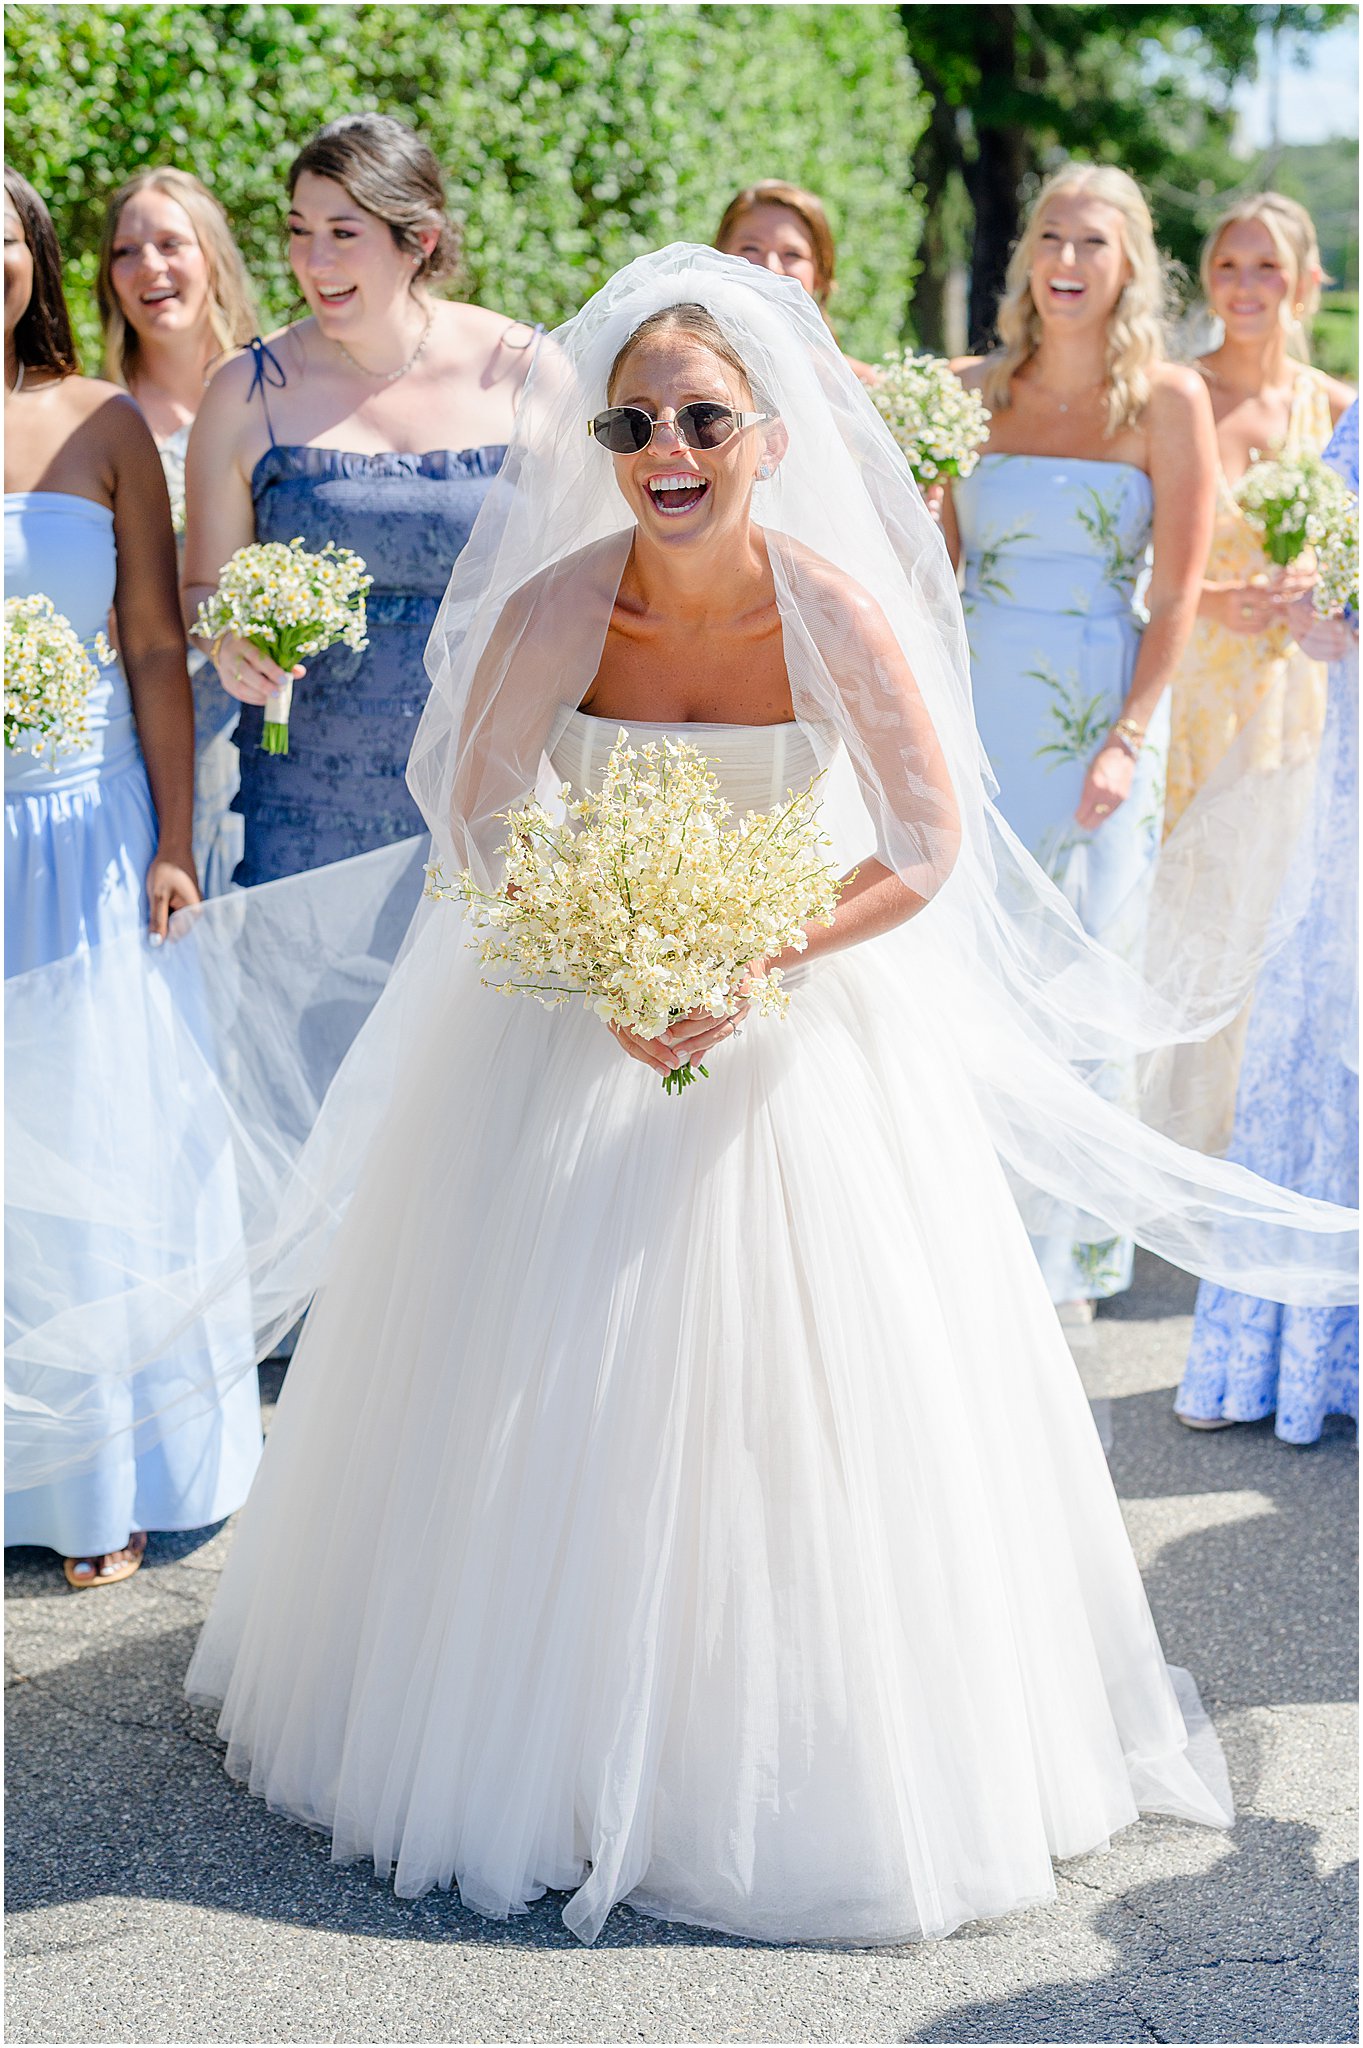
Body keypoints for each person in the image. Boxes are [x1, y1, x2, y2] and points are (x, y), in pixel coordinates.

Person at [172, 246, 1353, 1949]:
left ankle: (773, 1726)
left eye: (702, 417)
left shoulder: (832, 604)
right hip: (571, 1017)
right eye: (634, 417)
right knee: (540, 1379)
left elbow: (928, 846)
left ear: (766, 435)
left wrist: (746, 958)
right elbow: (478, 815)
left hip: (794, 1015)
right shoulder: (554, 604)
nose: (665, 443)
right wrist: (605, 950)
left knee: (799, 1393)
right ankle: (536, 1722)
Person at [3, 168, 260, 1587]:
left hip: (84, 832)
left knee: (88, 1135)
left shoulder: (96, 425)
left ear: (35, 263)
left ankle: (99, 1478)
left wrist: (172, 839)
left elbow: (158, 647)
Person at [938, 164, 1217, 1310]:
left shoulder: (1164, 401)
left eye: (1091, 243)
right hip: (974, 710)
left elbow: (1181, 596)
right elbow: (927, 567)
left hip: (1099, 717)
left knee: (1079, 977)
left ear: (1129, 265)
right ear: (1024, 258)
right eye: (1049, 236)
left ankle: (1065, 1261)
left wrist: (1127, 736)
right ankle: (965, 1232)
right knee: (965, 972)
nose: (1064, 261)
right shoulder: (961, 389)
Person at [183, 112, 539, 884]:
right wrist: (225, 642)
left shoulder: (523, 369)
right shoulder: (247, 391)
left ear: (422, 240)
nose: (313, 260)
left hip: (487, 781)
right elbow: (203, 586)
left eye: (344, 232)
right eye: (298, 230)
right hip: (305, 791)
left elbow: (599, 568)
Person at [1142, 194, 1354, 1155]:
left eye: (1267, 266)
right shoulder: (1166, 394)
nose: (1244, 286)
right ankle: (1164, 1150)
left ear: (1306, 281)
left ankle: (1252, 1151)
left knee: (1274, 928)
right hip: (1188, 697)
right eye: (1228, 264)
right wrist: (1207, 597)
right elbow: (1123, 555)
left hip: (1294, 711)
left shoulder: (1337, 412)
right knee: (1177, 927)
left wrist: (1328, 582)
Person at [1176, 399, 1359, 1443]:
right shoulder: (1357, 428)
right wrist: (1317, 612)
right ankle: (1288, 1357)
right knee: (1321, 1022)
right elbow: (1321, 582)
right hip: (1351, 784)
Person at [98, 167, 259, 896]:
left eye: (170, 243)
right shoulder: (92, 415)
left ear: (213, 257)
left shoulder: (273, 394)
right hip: (134, 719)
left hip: (263, 711)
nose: (148, 268)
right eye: (125, 252)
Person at [714, 178, 876, 385]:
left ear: (819, 273)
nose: (771, 268)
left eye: (792, 254)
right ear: (718, 257)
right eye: (750, 248)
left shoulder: (862, 384)